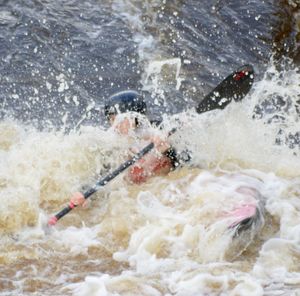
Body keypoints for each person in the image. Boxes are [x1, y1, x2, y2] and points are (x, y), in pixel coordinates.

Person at [70, 90, 179, 207]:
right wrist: (83, 193)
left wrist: (168, 150)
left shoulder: (159, 131)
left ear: (136, 118)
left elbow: (184, 164)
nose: (115, 126)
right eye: (111, 120)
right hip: (137, 199)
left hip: (166, 191)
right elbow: (101, 174)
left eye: (119, 120)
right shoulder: (114, 145)